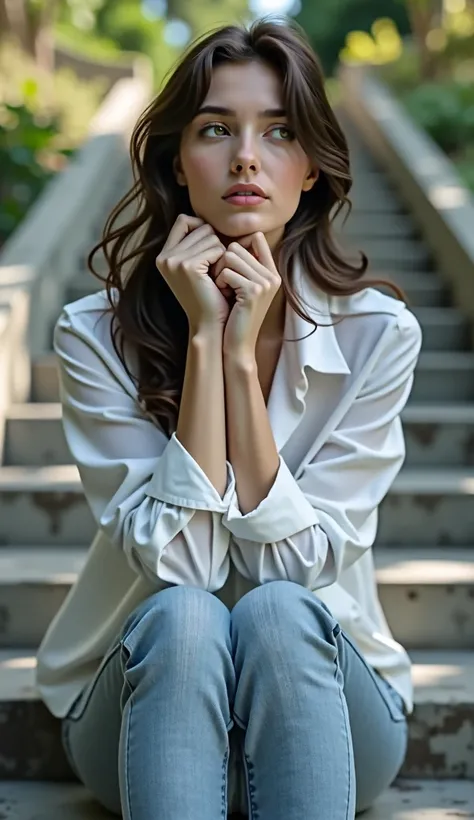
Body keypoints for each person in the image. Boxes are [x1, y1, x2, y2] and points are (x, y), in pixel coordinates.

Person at [35, 15, 423, 820]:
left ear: (312, 166)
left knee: (279, 612)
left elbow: (296, 569)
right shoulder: (92, 334)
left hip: (339, 713)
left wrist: (244, 362)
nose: (247, 155)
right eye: (217, 128)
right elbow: (184, 567)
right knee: (182, 616)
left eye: (279, 131)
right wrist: (208, 337)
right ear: (179, 158)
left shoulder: (380, 334)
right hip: (141, 713)